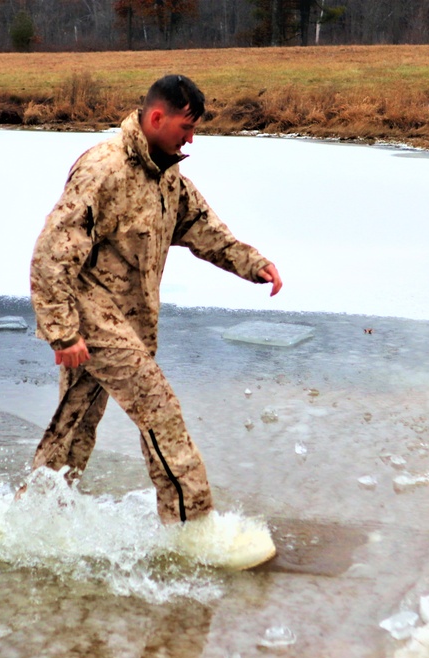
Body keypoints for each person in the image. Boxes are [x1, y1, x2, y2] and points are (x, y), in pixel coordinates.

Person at [28, 74, 282, 543]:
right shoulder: (103, 170)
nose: (191, 139)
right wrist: (63, 333)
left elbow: (204, 229)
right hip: (91, 317)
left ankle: (36, 518)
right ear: (156, 117)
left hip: (131, 323)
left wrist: (253, 264)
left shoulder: (169, 178)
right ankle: (195, 531)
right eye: (186, 128)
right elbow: (52, 253)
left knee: (76, 423)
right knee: (160, 411)